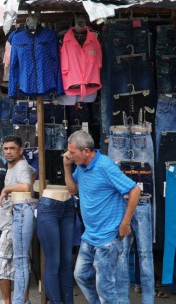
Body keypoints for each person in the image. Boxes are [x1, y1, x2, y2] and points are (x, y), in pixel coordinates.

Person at [63, 130, 140, 303]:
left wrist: (126, 223)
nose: (69, 155)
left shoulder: (105, 166)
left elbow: (135, 190)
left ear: (86, 151)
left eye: (72, 152)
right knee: (81, 275)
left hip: (108, 237)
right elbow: (73, 190)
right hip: (90, 235)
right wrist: (67, 167)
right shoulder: (81, 167)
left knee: (105, 286)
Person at [0, 136, 35, 304]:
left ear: (20, 150)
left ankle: (7, 300)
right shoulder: (16, 166)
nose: (8, 152)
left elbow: (26, 185)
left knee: (0, 264)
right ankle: (22, 300)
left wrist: (7, 189)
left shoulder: (21, 167)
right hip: (10, 221)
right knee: (17, 264)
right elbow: (34, 175)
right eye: (6, 149)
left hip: (14, 222)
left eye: (12, 148)